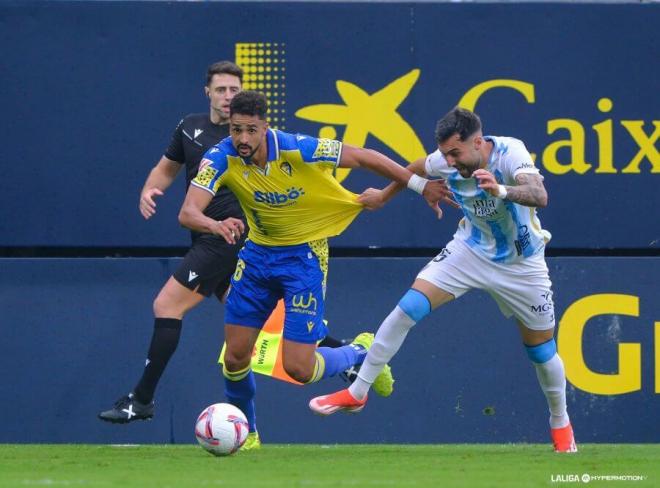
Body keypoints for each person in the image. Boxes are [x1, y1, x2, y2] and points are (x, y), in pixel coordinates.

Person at [177, 90, 454, 432]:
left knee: (299, 369)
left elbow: (364, 156)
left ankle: (358, 351)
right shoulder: (220, 157)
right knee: (234, 357)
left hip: (302, 258)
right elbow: (188, 212)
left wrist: (419, 185)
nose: (243, 139)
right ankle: (246, 432)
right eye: (236, 130)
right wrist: (215, 224)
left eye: (251, 130)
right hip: (257, 258)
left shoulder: (296, 146)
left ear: (265, 127)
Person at [309, 107, 578, 454]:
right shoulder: (443, 161)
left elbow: (539, 195)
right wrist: (387, 194)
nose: (449, 161)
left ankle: (561, 424)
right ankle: (357, 392)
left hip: (522, 263)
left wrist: (501, 190)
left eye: (456, 152)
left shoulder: (511, 152)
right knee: (408, 307)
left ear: (478, 142)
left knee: (541, 351)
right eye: (445, 153)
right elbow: (417, 167)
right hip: (470, 250)